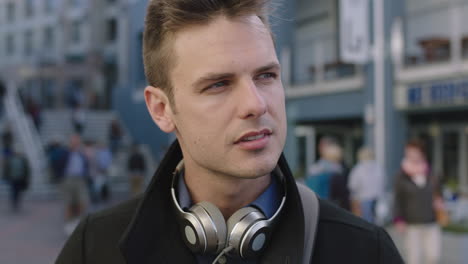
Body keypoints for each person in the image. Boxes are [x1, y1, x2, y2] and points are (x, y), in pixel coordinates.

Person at [56, 0, 403, 263]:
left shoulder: (363, 251)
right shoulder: (95, 248)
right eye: (218, 84)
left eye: (266, 76)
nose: (255, 104)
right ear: (161, 109)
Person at [394, 140, 443, 264]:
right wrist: (398, 219)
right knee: (413, 259)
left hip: (431, 221)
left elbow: (438, 192)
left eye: (414, 152)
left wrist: (439, 201)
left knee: (433, 257)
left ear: (422, 153)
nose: (411, 155)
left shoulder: (431, 173)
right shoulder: (401, 175)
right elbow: (398, 199)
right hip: (412, 224)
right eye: (408, 152)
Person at [306, 140, 350, 210]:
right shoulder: (337, 172)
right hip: (328, 205)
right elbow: (343, 197)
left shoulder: (315, 169)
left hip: (313, 203)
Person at [61, 134, 90, 235]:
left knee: (82, 201)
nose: (75, 144)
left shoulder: (82, 154)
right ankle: (68, 224)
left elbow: (86, 165)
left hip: (80, 179)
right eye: (73, 141)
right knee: (68, 202)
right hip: (68, 179)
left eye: (77, 141)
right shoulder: (65, 152)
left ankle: (80, 223)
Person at [348, 147, 385, 223]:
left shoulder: (358, 169)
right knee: (376, 220)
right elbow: (384, 182)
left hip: (363, 198)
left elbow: (352, 185)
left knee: (366, 221)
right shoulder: (379, 168)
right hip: (377, 197)